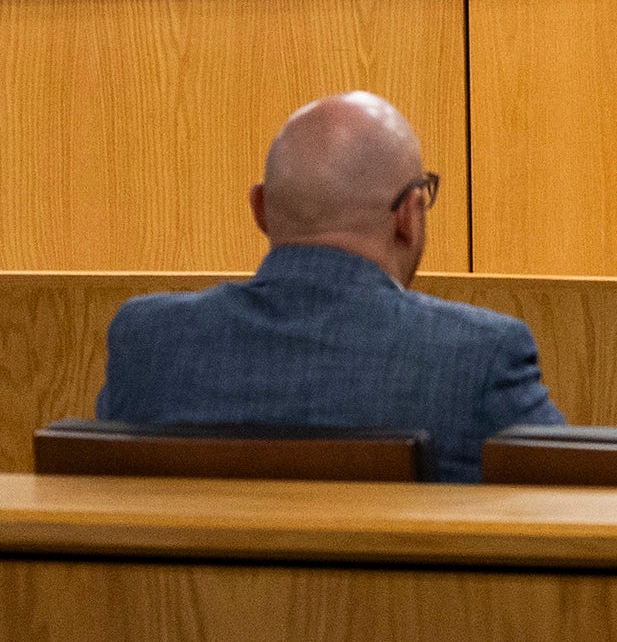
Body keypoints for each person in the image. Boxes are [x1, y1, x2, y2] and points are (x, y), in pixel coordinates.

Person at [96, 93, 562, 483]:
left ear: (260, 209)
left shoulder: (147, 340)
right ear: (407, 215)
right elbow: (577, 509)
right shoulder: (481, 356)